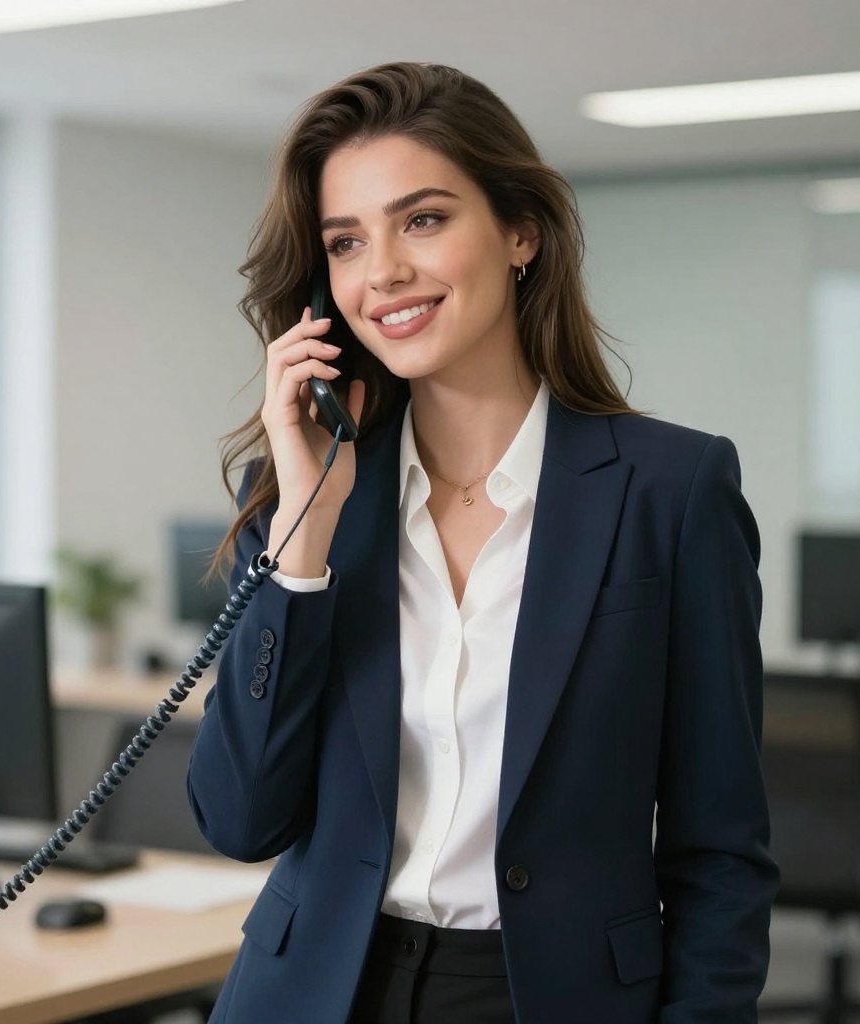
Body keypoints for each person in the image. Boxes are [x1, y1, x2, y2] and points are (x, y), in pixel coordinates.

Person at [187, 62, 778, 1024]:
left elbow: (722, 852)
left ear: (520, 233)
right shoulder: (307, 492)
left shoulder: (672, 490)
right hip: (314, 993)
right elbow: (241, 818)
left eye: (422, 220)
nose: (382, 272)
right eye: (346, 241)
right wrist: (303, 538)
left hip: (550, 995)